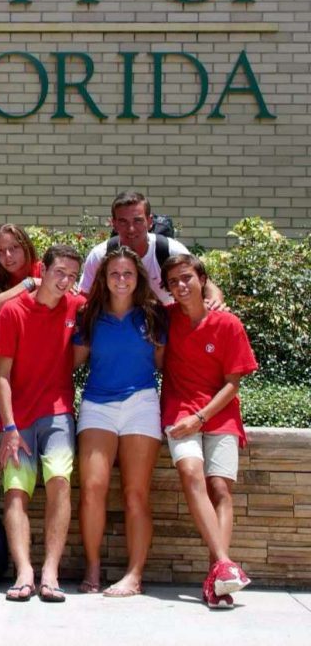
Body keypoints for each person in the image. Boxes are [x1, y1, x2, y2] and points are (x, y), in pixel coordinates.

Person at [0, 243, 85, 603]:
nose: (65, 281)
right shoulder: (14, 311)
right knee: (17, 489)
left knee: (59, 479)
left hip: (57, 410)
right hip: (18, 416)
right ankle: (24, 571)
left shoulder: (76, 306)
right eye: (59, 272)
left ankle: (50, 573)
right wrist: (10, 428)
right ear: (41, 270)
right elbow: (1, 376)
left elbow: (118, 295)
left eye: (72, 276)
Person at [161, 254, 258, 610]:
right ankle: (224, 566)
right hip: (179, 411)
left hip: (218, 414)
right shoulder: (166, 318)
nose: (181, 286)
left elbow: (233, 383)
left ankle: (216, 574)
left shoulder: (228, 324)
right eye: (173, 281)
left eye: (187, 277)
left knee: (220, 488)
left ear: (202, 280)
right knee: (191, 473)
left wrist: (200, 418)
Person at [72, 247, 167, 598]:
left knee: (135, 493)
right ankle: (93, 567)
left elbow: (165, 364)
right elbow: (70, 362)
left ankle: (134, 575)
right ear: (104, 278)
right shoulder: (90, 315)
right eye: (114, 273)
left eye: (128, 273)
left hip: (141, 404)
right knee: (92, 488)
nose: (122, 280)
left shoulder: (154, 316)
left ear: (139, 278)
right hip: (98, 404)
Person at [78, 190, 223, 306]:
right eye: (123, 222)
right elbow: (84, 297)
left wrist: (215, 305)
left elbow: (207, 286)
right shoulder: (101, 255)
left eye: (138, 221)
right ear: (114, 224)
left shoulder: (170, 250)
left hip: (166, 326)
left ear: (149, 221)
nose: (131, 229)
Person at [0, 223, 43, 386]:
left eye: (14, 248)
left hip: (36, 342)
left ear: (26, 246)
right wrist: (29, 283)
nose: (8, 256)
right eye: (1, 251)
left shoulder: (44, 270)